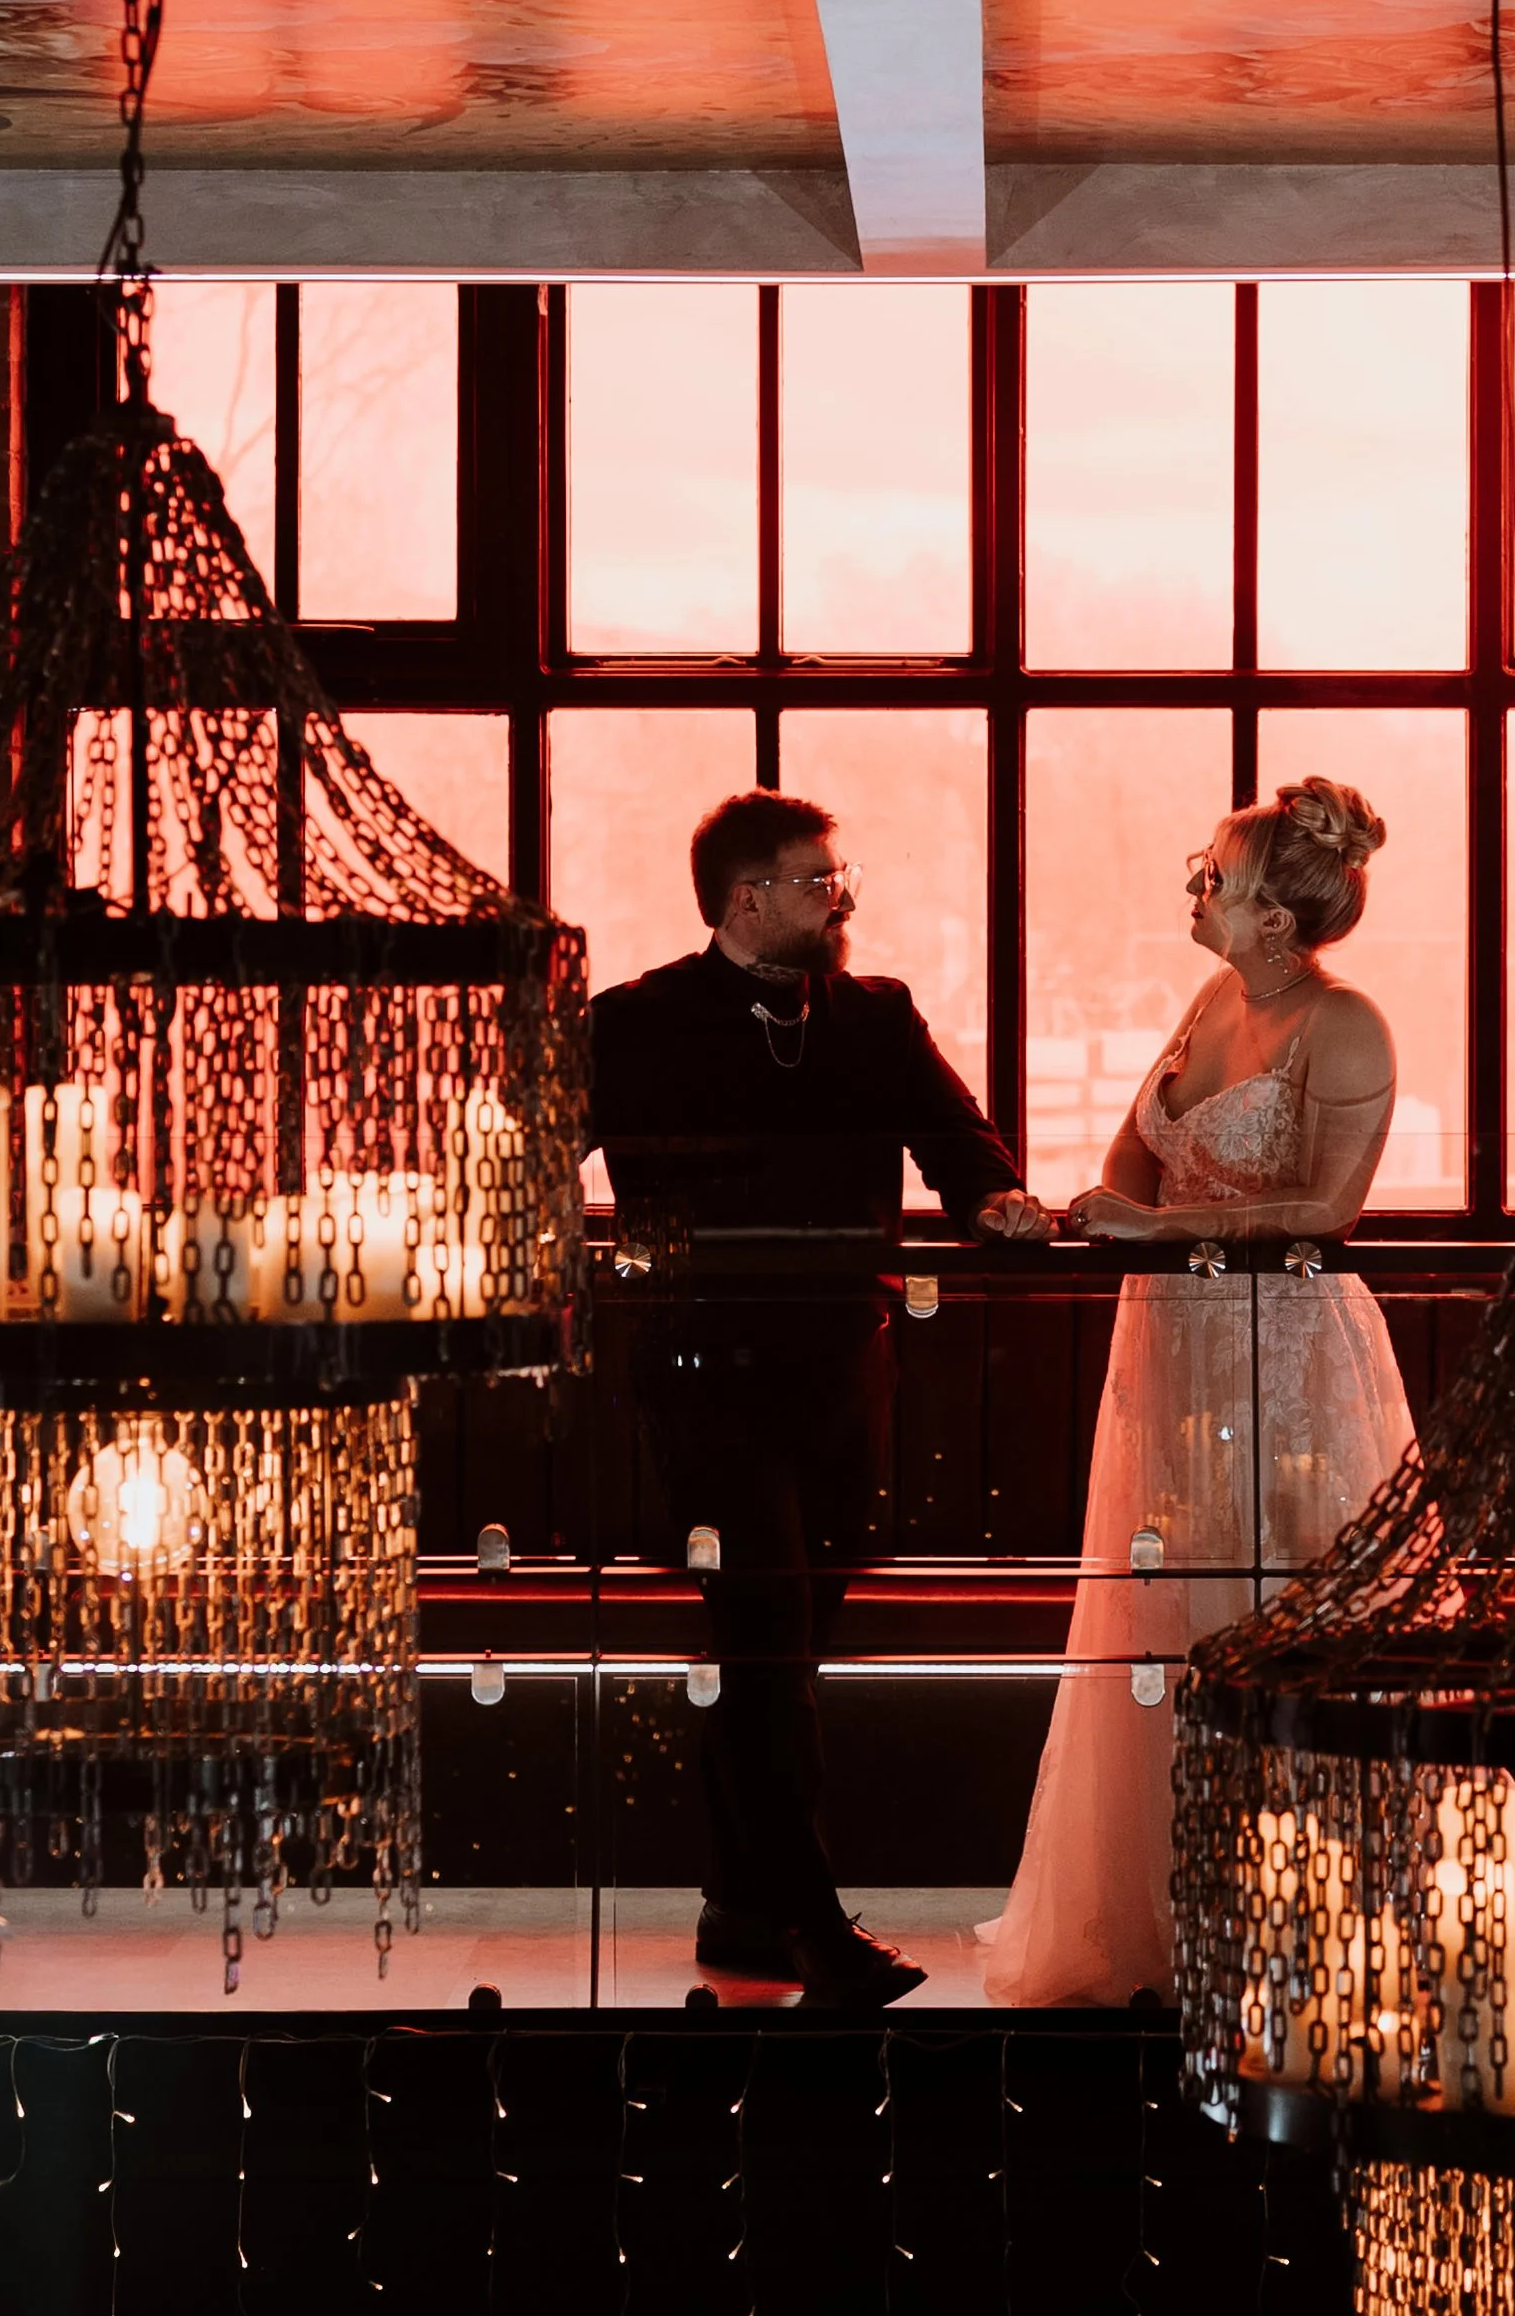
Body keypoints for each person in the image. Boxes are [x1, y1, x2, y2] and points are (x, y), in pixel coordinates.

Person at [590, 790, 1050, 2008]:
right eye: (817, 881)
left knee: (778, 1650)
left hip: (845, 1377)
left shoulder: (875, 1018)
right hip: (701, 1383)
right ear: (745, 899)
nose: (842, 899)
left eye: (841, 880)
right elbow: (534, 1148)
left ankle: (743, 1904)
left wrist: (996, 1206)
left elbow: (961, 1143)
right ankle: (812, 1927)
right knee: (767, 1649)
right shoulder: (636, 1022)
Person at [982, 777, 1415, 2008]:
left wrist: (1158, 1228)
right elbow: (1135, 1161)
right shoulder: (1211, 995)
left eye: (1214, 877)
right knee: (1164, 1618)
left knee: (1279, 1608)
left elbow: (1332, 1212)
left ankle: (1312, 1930)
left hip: (1284, 1355)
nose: (1196, 888)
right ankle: (1181, 1916)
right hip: (1168, 1343)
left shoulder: (1348, 1024)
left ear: (1276, 918)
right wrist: (1072, 1210)